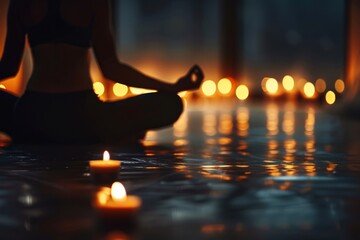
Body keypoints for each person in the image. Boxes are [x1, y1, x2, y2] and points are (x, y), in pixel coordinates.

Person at [0, 0, 204, 144]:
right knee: (172, 103)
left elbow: (8, 67)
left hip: (32, 117)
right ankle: (108, 135)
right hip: (84, 119)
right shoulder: (93, 2)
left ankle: (38, 137)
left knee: (17, 114)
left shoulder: (22, 3)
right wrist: (173, 88)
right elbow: (111, 67)